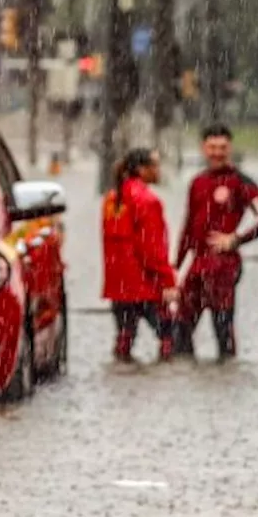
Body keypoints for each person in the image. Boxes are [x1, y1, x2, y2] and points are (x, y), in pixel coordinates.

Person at [171, 124, 258, 360]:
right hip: (197, 264)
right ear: (203, 149)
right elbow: (188, 226)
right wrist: (175, 266)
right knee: (180, 328)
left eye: (222, 147)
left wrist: (236, 239)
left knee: (222, 327)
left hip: (223, 266)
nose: (217, 152)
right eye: (212, 147)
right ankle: (185, 382)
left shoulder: (241, 182)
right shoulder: (197, 182)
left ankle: (225, 376)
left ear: (230, 148)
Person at [101, 147, 179, 362]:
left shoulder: (112, 198)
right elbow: (152, 248)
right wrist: (168, 280)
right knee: (168, 339)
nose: (158, 170)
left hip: (119, 285)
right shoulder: (147, 201)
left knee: (124, 339)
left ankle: (123, 381)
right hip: (146, 285)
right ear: (142, 170)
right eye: (155, 165)